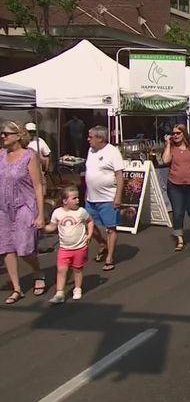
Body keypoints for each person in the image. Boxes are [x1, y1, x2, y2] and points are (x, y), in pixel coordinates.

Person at [1, 120, 47, 304]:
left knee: (24, 248)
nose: (2, 136)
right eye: (2, 133)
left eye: (6, 133)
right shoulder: (1, 155)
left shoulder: (29, 156)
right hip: (3, 208)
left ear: (18, 136)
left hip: (24, 206)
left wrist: (40, 214)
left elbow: (37, 186)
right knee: (6, 249)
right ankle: (17, 288)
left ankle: (38, 271)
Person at [43, 186, 93, 304]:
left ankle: (77, 288)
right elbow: (52, 227)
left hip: (79, 247)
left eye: (78, 198)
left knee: (77, 269)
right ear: (65, 201)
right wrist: (43, 228)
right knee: (61, 270)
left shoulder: (81, 212)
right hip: (64, 249)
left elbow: (90, 221)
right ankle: (59, 293)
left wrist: (89, 234)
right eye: (74, 198)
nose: (77, 200)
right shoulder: (57, 212)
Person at [85, 125, 123, 272]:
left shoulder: (112, 152)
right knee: (89, 225)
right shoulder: (90, 150)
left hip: (107, 197)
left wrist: (118, 196)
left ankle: (110, 257)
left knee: (110, 229)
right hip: (91, 197)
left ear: (100, 138)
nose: (88, 139)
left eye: (91, 137)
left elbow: (119, 175)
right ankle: (102, 243)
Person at [163, 124, 190, 251]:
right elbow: (165, 161)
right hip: (175, 184)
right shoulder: (171, 148)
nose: (175, 135)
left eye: (178, 133)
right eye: (173, 133)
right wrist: (168, 144)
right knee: (178, 212)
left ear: (184, 134)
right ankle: (179, 237)